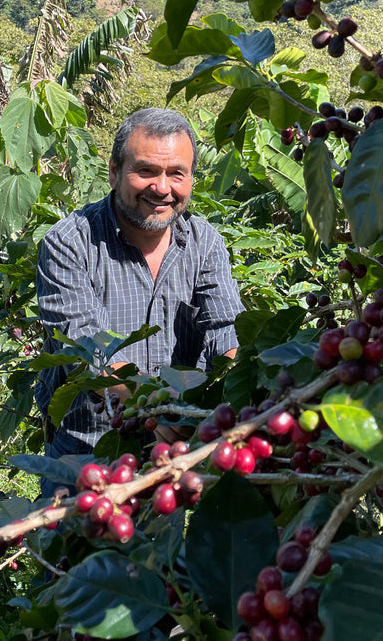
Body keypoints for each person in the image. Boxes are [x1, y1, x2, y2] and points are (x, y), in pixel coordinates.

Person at [34, 108, 244, 492]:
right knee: (79, 550)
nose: (162, 188)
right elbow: (89, 352)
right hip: (90, 456)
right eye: (146, 171)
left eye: (176, 173)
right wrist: (162, 410)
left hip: (182, 450)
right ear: (115, 172)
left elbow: (228, 336)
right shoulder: (69, 244)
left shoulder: (205, 244)